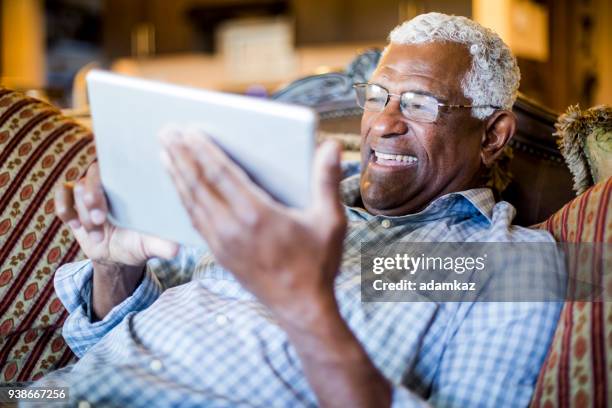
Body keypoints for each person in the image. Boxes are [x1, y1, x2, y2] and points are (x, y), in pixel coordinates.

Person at [42, 13, 561, 407]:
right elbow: (103, 344)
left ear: (492, 134)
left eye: (419, 104)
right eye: (377, 96)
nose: (382, 124)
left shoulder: (508, 265)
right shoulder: (274, 191)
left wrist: (305, 306)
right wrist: (115, 264)